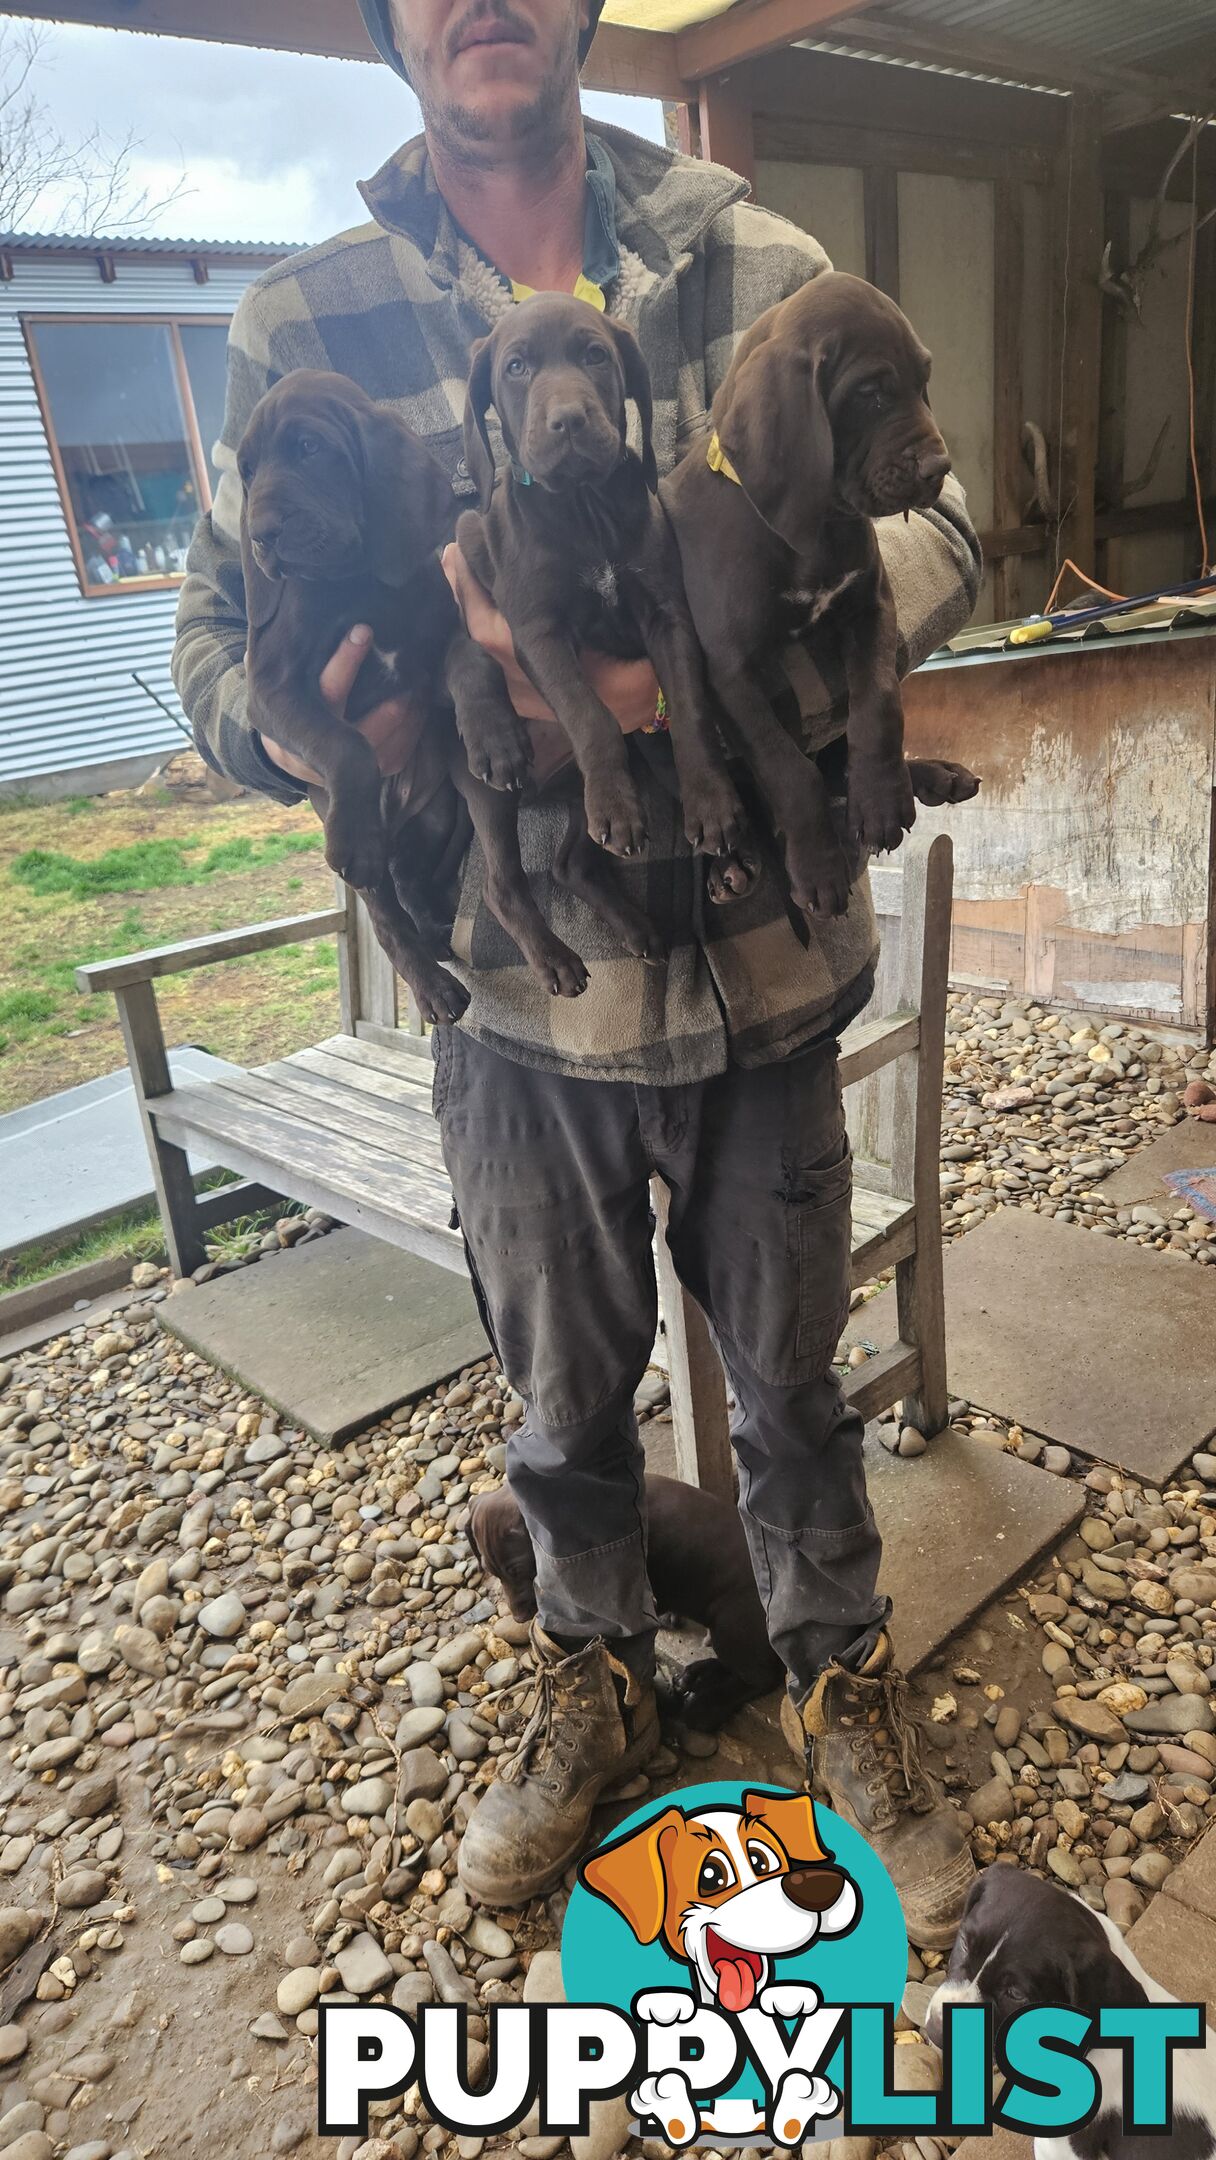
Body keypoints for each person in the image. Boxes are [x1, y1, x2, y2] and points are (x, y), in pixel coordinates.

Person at [174, 0, 981, 1949]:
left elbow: (943, 521)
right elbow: (206, 647)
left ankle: (829, 1666)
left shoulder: (748, 252)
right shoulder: (309, 319)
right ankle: (595, 1668)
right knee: (559, 1397)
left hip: (766, 973)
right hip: (514, 999)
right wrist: (301, 738)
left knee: (790, 1381)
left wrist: (682, 679)